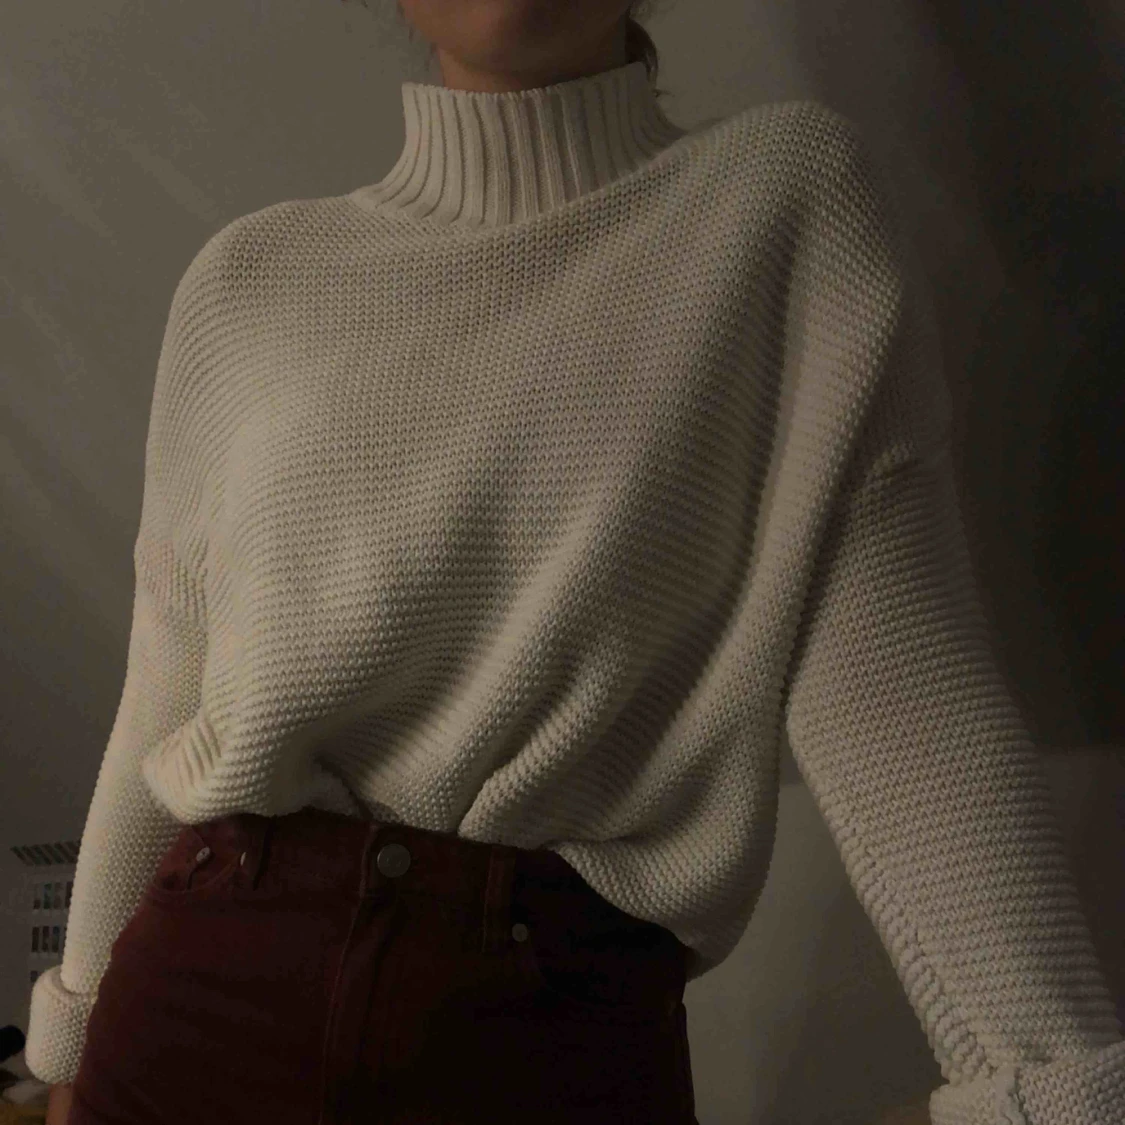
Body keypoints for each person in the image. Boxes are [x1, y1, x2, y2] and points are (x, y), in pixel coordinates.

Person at [32, 0, 1125, 1122]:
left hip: (549, 1032)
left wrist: (1057, 1085)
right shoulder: (247, 282)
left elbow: (897, 690)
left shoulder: (777, 203)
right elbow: (165, 687)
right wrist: (71, 1045)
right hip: (200, 1008)